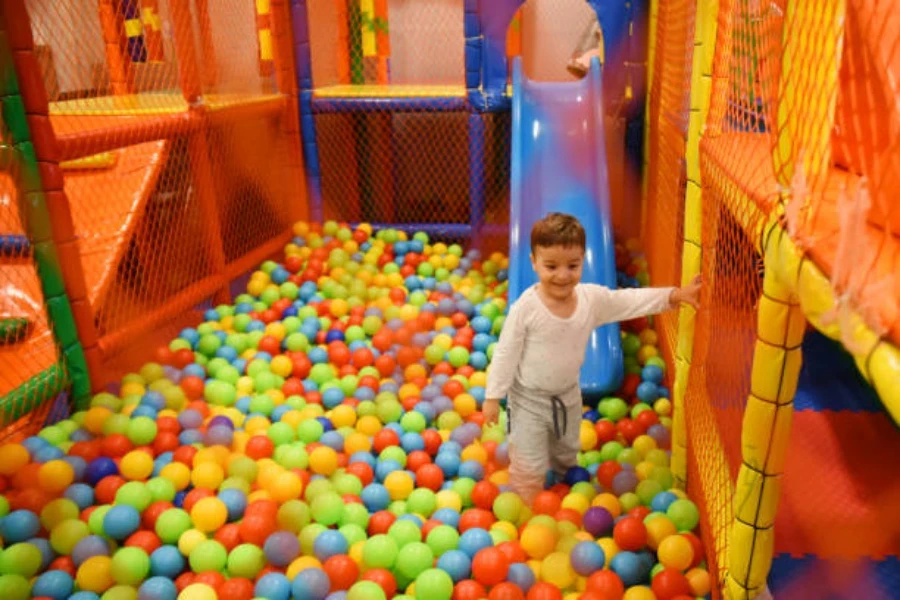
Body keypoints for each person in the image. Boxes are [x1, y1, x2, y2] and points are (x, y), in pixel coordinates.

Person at [483, 212, 701, 504]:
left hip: (568, 395)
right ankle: (527, 515)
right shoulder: (526, 308)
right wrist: (493, 396)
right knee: (528, 464)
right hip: (528, 401)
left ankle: (563, 488)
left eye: (572, 266)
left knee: (566, 451)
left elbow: (627, 301)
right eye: (551, 266)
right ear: (534, 262)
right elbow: (506, 352)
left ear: (583, 261)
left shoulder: (590, 300)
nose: (562, 275)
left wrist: (673, 296)